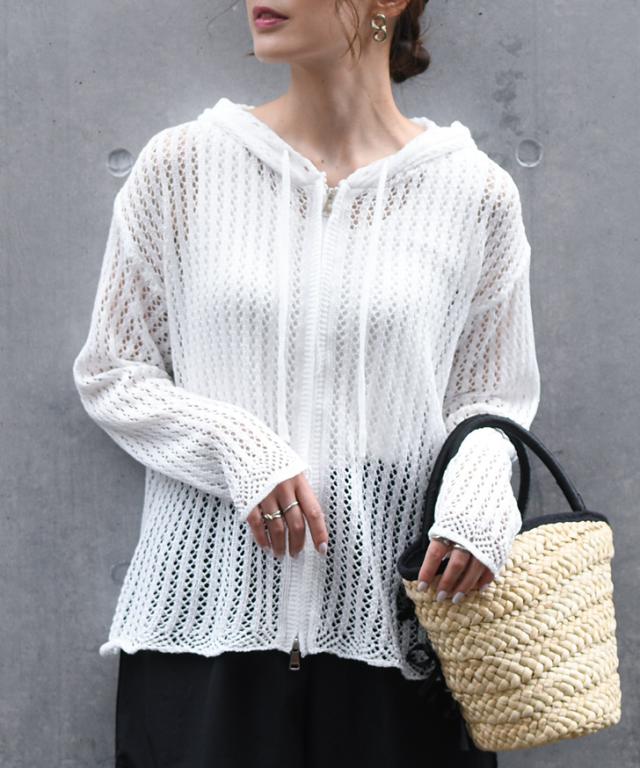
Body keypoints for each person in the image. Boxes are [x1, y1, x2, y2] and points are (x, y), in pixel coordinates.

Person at [72, 0, 540, 765]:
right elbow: (113, 370)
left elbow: (493, 398)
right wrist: (235, 446)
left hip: (399, 645)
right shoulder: (183, 167)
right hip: (206, 643)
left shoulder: (475, 195)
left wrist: (482, 487)